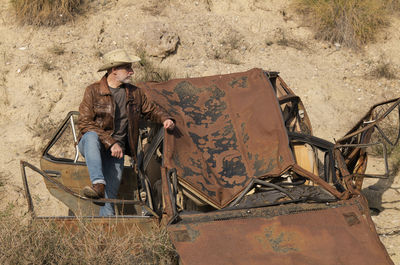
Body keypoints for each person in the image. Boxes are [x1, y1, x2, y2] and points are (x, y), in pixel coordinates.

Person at [77, 49, 175, 216]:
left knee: (110, 198)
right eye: (127, 68)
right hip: (95, 145)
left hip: (117, 152)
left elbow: (151, 110)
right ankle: (98, 183)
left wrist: (165, 118)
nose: (132, 72)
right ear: (114, 70)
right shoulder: (93, 91)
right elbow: (85, 122)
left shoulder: (134, 93)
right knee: (91, 136)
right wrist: (111, 142)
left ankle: (105, 235)